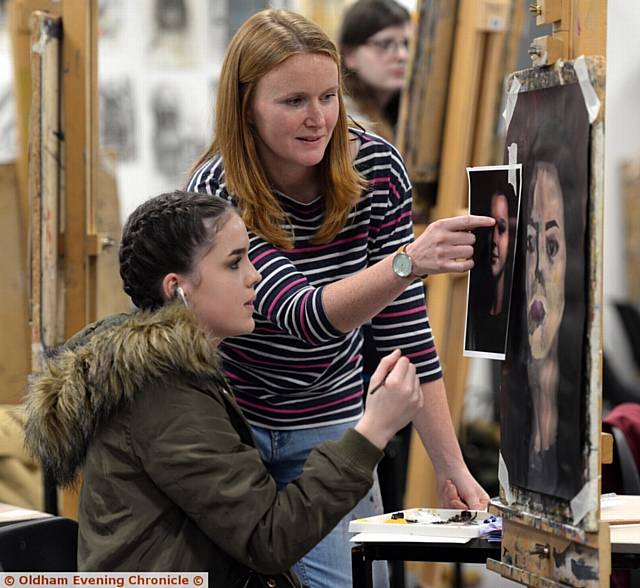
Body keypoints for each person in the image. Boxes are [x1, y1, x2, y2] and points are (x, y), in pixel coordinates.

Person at [187, 9, 492, 587]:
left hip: (328, 427)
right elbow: (305, 314)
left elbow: (406, 336)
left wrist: (452, 467)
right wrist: (408, 263)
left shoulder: (375, 167)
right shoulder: (214, 192)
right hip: (229, 431)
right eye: (293, 101)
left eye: (329, 96)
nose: (317, 118)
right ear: (246, 105)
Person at [24, 191, 425, 586]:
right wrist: (371, 430)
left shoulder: (163, 376)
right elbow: (268, 537)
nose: (255, 275)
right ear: (176, 288)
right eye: (234, 263)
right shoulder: (163, 391)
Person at [338, 0, 411, 142]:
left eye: (407, 44)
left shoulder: (403, 112)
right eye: (385, 44)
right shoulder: (348, 120)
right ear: (350, 55)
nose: (403, 55)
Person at [465, 177, 517, 356]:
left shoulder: (515, 322)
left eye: (501, 229)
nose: (494, 240)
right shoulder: (476, 317)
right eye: (489, 229)